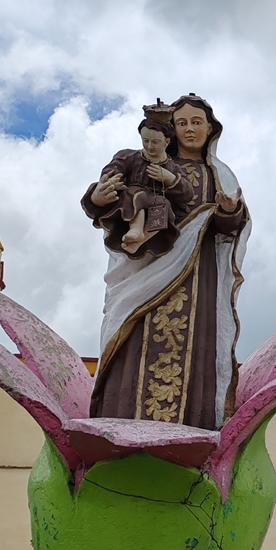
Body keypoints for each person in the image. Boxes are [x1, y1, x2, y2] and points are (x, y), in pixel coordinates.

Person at [82, 95, 251, 429]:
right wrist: (95, 197)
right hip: (145, 270)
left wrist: (229, 210)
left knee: (194, 345)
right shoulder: (145, 161)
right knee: (134, 333)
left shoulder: (218, 174)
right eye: (181, 123)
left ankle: (193, 424)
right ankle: (122, 420)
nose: (189, 129)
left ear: (210, 128)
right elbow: (112, 196)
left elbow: (229, 228)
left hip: (197, 275)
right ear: (170, 130)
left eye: (197, 122)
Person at [87, 118, 194, 258]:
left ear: (167, 142)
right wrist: (109, 184)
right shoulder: (128, 156)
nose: (150, 146)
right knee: (136, 194)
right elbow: (112, 171)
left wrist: (169, 178)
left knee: (163, 204)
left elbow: (188, 193)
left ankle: (141, 240)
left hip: (155, 203)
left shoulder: (173, 168)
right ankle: (136, 230)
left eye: (155, 142)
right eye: (145, 140)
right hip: (131, 201)